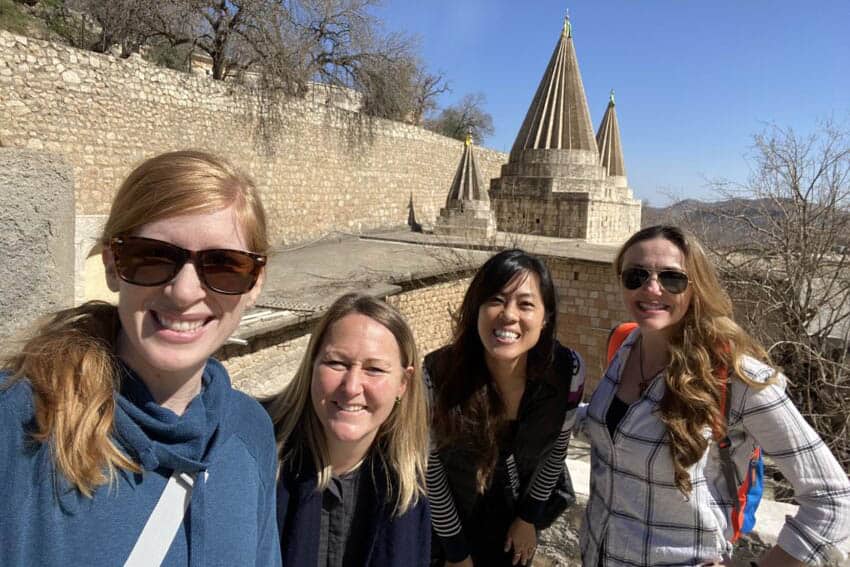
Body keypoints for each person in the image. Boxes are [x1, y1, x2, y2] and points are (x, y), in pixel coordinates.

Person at [0, 150, 281, 567]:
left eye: (223, 265)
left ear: (254, 283)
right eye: (152, 257)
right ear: (114, 265)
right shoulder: (23, 425)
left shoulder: (249, 432)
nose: (185, 293)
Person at [581, 224, 850, 566]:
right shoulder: (625, 346)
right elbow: (609, 427)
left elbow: (832, 497)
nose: (651, 288)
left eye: (671, 278)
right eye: (635, 275)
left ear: (696, 287)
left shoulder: (736, 379)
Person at [426, 249, 585, 567]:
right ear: (477, 309)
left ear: (546, 316)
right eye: (496, 300)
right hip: (449, 529)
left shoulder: (568, 372)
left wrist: (528, 517)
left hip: (516, 526)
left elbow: (556, 450)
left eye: (526, 304)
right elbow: (430, 470)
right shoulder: (438, 375)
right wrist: (456, 552)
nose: (509, 315)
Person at [265, 292, 431, 566]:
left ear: (404, 382)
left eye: (374, 369)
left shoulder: (408, 486)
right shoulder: (255, 456)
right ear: (312, 366)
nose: (352, 387)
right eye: (336, 363)